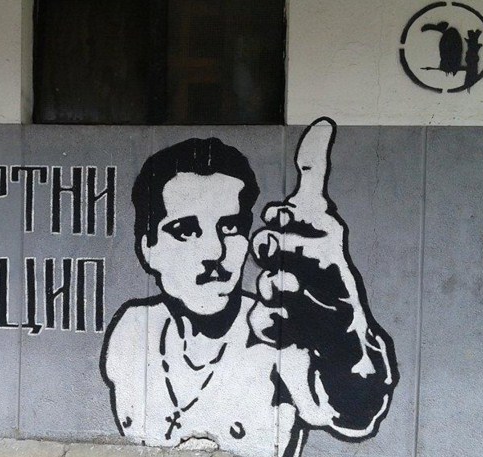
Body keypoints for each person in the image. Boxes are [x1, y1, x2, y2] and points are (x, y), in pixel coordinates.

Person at [100, 119, 398, 457]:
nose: (215, 252)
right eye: (186, 230)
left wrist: (345, 332)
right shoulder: (133, 329)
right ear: (148, 249)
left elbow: (355, 412)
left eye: (230, 227)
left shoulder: (276, 334)